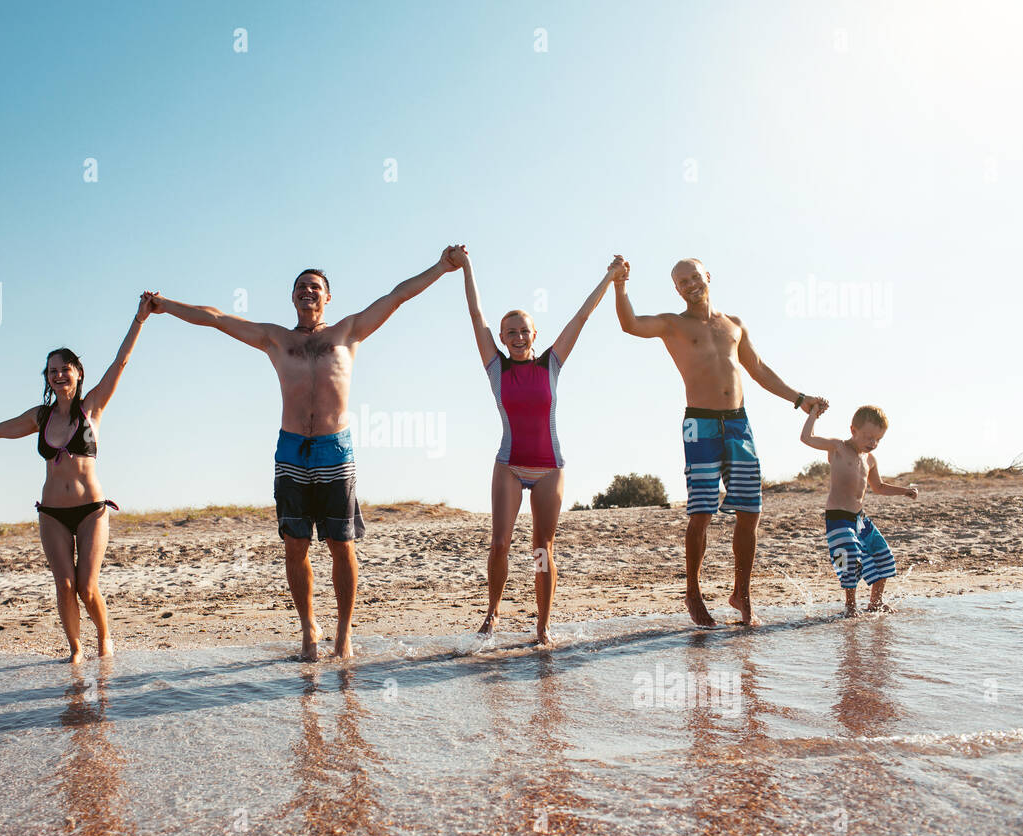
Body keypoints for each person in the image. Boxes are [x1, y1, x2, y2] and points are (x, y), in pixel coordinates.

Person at [147, 249, 462, 661]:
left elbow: (397, 295)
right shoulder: (277, 339)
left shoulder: (348, 332)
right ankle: (309, 629)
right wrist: (164, 306)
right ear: (292, 298)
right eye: (301, 287)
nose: (308, 291)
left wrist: (441, 266)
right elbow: (217, 318)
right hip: (292, 450)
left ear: (328, 297)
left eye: (316, 287)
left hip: (335, 449)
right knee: (295, 546)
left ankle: (344, 633)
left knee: (340, 545)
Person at [0, 293, 155, 662]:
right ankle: (75, 649)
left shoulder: (92, 408)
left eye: (64, 368)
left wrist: (139, 319)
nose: (58, 374)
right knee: (65, 585)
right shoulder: (40, 417)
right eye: (51, 370)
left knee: (87, 587)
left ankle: (104, 638)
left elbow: (121, 362)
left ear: (77, 372)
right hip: (52, 513)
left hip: (91, 510)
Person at [612, 255, 827, 627]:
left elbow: (758, 369)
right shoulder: (673, 325)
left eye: (695, 276)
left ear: (707, 276)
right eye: (682, 282)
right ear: (676, 289)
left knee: (750, 511)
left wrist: (799, 398)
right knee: (702, 512)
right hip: (700, 423)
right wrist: (620, 285)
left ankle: (741, 593)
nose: (691, 284)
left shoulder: (734, 325)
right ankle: (693, 591)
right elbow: (630, 324)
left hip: (739, 424)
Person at [455, 245, 615, 644]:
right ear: (504, 338)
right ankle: (492, 612)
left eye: (525, 330)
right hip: (509, 464)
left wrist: (611, 277)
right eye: (511, 332)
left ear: (535, 334)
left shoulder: (551, 364)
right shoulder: (496, 366)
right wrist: (467, 266)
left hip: (549, 467)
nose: (518, 337)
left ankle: (542, 626)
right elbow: (477, 316)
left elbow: (582, 315)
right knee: (499, 544)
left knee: (542, 548)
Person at [800, 404, 917, 615]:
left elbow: (879, 487)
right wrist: (813, 414)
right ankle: (850, 606)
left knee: (884, 554)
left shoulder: (870, 459)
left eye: (878, 439)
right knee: (849, 557)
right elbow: (807, 438)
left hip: (859, 519)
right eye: (869, 437)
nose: (873, 443)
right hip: (837, 518)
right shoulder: (838, 447)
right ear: (853, 430)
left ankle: (875, 602)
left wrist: (904, 491)